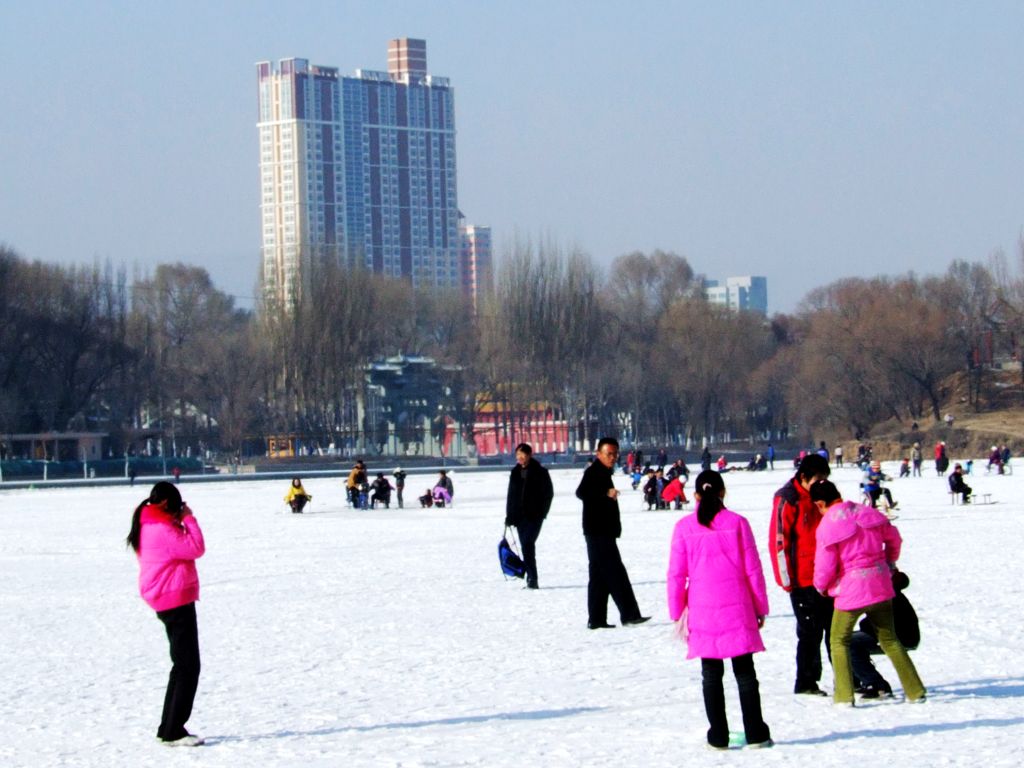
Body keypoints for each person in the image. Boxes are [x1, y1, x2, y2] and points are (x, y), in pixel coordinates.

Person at [667, 470, 772, 750]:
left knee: (711, 674)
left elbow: (676, 574)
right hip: (738, 607)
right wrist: (760, 606)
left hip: (703, 610)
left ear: (697, 495)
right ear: (723, 492)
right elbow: (753, 570)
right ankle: (756, 733)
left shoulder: (684, 527)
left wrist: (677, 611)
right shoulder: (738, 523)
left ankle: (718, 735)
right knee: (745, 673)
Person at [810, 481, 926, 705]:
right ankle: (915, 690)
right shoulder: (868, 513)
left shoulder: (828, 525)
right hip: (881, 584)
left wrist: (821, 586)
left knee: (838, 640)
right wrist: (889, 561)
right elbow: (894, 539)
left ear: (820, 504)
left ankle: (844, 696)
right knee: (890, 639)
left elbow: (825, 564)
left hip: (852, 589)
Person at [126, 481, 206, 746]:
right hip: (173, 597)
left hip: (168, 596)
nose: (176, 513)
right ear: (164, 505)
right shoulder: (160, 528)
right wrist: (189, 518)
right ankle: (173, 730)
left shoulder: (149, 521)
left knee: (181, 665)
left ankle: (169, 726)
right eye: (174, 508)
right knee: (188, 666)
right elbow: (195, 547)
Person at [768, 453, 833, 696]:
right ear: (803, 477)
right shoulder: (788, 499)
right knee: (810, 632)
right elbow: (779, 541)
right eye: (818, 480)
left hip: (828, 575)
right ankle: (806, 681)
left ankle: (847, 677)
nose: (822, 484)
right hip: (802, 579)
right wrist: (787, 581)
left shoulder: (824, 496)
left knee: (835, 630)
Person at [576, 437, 650, 629]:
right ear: (598, 454)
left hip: (600, 531)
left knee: (599, 576)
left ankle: (597, 619)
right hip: (597, 531)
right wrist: (605, 493)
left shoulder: (603, 472)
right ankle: (630, 614)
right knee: (615, 573)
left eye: (615, 453)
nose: (613, 457)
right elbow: (582, 492)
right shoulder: (594, 472)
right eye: (609, 454)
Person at [850, 570, 920, 698]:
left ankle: (875, 685)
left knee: (849, 643)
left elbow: (877, 623)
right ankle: (859, 681)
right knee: (851, 640)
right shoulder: (892, 593)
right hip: (904, 636)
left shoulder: (886, 596)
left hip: (901, 637)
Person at [504, 443, 554, 589]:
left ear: (529, 454)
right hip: (519, 517)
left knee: (527, 543)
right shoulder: (515, 472)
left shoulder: (540, 472)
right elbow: (511, 496)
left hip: (534, 516)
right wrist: (509, 515)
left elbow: (548, 494)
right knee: (526, 547)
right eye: (517, 455)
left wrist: (542, 512)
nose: (520, 457)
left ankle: (532, 578)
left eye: (522, 454)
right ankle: (531, 578)